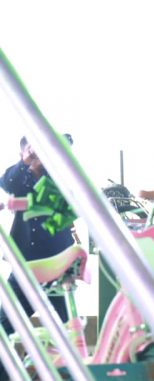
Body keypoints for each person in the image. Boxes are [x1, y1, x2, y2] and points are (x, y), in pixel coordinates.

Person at [0, 135, 76, 347]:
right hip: (25, 266)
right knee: (5, 326)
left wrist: (52, 155)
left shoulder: (57, 176)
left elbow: (66, 201)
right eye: (32, 152)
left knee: (64, 331)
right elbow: (8, 182)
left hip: (58, 265)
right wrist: (27, 161)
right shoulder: (18, 179)